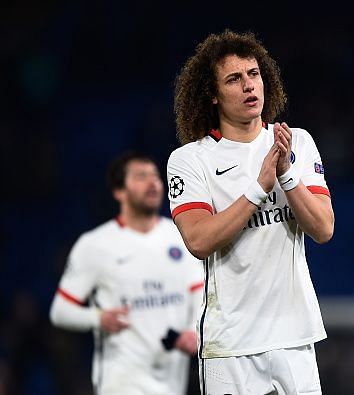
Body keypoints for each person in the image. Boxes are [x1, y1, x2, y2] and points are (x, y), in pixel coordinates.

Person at [167, 29, 334, 394]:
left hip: (295, 335)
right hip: (231, 344)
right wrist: (259, 188)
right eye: (234, 79)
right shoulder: (190, 160)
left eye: (254, 74)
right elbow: (198, 240)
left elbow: (323, 229)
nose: (249, 86)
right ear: (212, 95)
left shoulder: (297, 142)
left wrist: (287, 175)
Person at [49, 151, 204, 395]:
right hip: (121, 384)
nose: (153, 182)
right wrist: (98, 318)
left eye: (155, 176)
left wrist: (195, 332)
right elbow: (60, 311)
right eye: (141, 176)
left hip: (173, 383)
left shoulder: (180, 236)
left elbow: (199, 290)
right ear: (119, 191)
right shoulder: (95, 245)